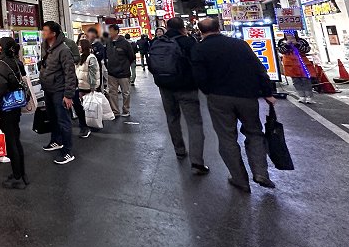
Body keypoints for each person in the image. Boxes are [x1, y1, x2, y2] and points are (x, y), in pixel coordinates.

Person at [191, 18, 277, 192]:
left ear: (200, 31)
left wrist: (209, 91)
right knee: (254, 133)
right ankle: (260, 172)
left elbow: (199, 76)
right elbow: (258, 68)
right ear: (219, 28)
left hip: (219, 97)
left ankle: (239, 179)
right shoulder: (240, 44)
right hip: (247, 96)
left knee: (226, 137)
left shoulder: (199, 49)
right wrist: (267, 92)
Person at [149, 17, 208, 175]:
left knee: (172, 118)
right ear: (183, 27)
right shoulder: (188, 42)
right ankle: (197, 161)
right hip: (187, 88)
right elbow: (198, 64)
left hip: (165, 87)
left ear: (166, 28)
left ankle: (179, 150)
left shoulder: (157, 42)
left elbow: (151, 65)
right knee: (194, 123)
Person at [0, 37, 28, 188]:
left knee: (11, 142)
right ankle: (21, 173)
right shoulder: (15, 61)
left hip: (7, 108)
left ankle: (17, 178)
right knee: (16, 140)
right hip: (16, 107)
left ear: (2, 47)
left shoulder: (2, 64)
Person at [39, 21, 77, 164]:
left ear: (53, 33)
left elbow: (70, 73)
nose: (43, 33)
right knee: (52, 118)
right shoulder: (46, 47)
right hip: (48, 89)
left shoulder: (63, 50)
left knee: (64, 120)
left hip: (59, 90)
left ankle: (67, 152)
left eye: (45, 30)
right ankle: (56, 141)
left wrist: (68, 95)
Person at [105, 24, 135, 117]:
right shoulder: (108, 42)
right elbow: (106, 55)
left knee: (125, 92)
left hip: (123, 72)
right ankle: (115, 111)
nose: (109, 33)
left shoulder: (125, 43)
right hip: (111, 72)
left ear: (117, 31)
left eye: (111, 31)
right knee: (112, 93)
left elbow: (131, 56)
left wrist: (125, 65)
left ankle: (126, 110)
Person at [278, 32, 315, 103]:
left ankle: (309, 96)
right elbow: (281, 51)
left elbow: (307, 49)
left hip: (302, 62)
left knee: (305, 80)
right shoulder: (282, 41)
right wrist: (287, 45)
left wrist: (297, 44)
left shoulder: (301, 41)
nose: (289, 36)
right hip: (290, 64)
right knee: (295, 80)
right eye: (287, 34)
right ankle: (301, 96)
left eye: (291, 34)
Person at [75, 38, 99, 137]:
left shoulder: (91, 57)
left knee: (89, 106)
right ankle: (85, 126)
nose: (78, 47)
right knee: (82, 107)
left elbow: (93, 73)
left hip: (88, 86)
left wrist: (93, 87)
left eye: (79, 45)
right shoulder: (80, 57)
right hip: (80, 85)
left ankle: (90, 125)